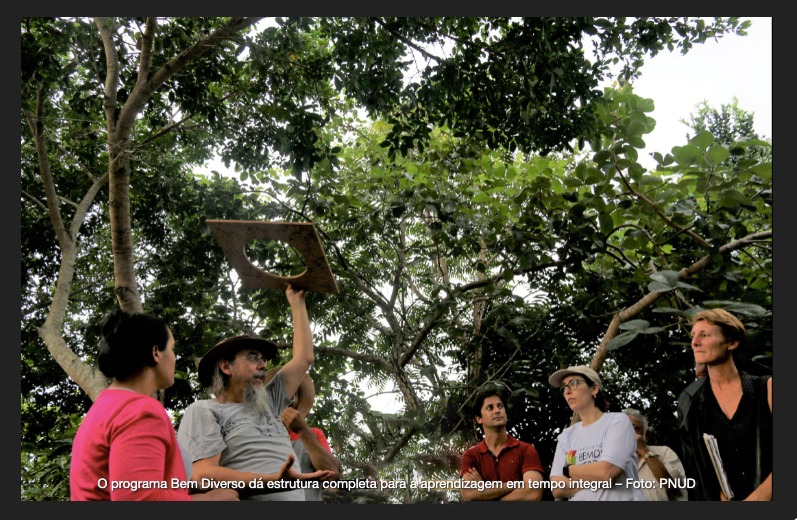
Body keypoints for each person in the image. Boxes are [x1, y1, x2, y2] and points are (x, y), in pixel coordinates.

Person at [177, 285, 334, 500]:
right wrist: (274, 481)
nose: (262, 365)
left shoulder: (270, 403)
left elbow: (304, 357)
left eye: (263, 359)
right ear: (226, 366)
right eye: (252, 357)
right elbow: (202, 474)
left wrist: (297, 301)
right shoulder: (205, 410)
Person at [70, 309, 239, 501]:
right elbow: (138, 498)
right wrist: (209, 501)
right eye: (172, 348)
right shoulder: (140, 410)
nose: (174, 358)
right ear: (156, 352)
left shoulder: (104, 407)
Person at [677, 308, 772, 501]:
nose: (695, 342)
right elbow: (700, 470)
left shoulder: (767, 388)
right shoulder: (692, 403)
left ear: (732, 342)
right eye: (694, 335)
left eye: (705, 335)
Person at [548, 365, 645, 501]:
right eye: (564, 387)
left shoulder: (617, 421)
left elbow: (606, 471)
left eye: (574, 383)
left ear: (594, 388)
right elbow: (557, 488)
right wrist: (595, 476)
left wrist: (568, 471)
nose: (567, 392)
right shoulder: (566, 435)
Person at [459, 381, 545, 501]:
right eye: (490, 408)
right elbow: (469, 494)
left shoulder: (525, 450)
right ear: (479, 419)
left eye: (500, 406)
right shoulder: (471, 456)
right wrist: (517, 484)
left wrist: (485, 492)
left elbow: (533, 493)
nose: (497, 411)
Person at [269, 369, 341, 501]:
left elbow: (332, 476)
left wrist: (303, 431)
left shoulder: (313, 434)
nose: (285, 398)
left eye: (292, 392)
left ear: (297, 399)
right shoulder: (256, 435)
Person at [622, 408, 687, 501]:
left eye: (635, 429)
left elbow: (672, 487)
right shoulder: (612, 463)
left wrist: (644, 451)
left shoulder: (664, 452)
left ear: (646, 435)